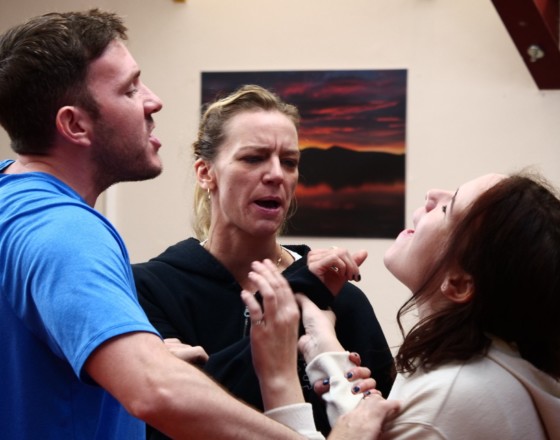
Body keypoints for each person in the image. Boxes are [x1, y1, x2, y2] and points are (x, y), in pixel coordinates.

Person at [0, 9, 395, 439]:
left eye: (290, 161)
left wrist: (151, 360)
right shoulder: (66, 233)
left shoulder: (12, 202)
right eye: (130, 89)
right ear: (74, 124)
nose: (154, 101)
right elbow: (157, 392)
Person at [132, 84, 395, 436]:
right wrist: (300, 290)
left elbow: (382, 422)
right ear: (206, 172)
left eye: (289, 162)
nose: (276, 175)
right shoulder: (150, 288)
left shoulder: (339, 297)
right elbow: (167, 417)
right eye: (253, 158)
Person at [246, 172, 560, 439]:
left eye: (448, 208)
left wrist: (278, 379)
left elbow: (418, 421)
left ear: (459, 284)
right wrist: (324, 349)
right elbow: (375, 427)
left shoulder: (447, 398)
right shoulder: (486, 366)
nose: (432, 195)